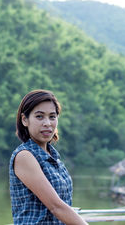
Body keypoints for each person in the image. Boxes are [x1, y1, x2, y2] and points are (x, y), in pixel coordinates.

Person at [9, 89, 88, 225]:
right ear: (25, 120)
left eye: (52, 117)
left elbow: (63, 205)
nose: (47, 123)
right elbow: (55, 206)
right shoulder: (24, 156)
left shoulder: (54, 157)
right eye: (39, 116)